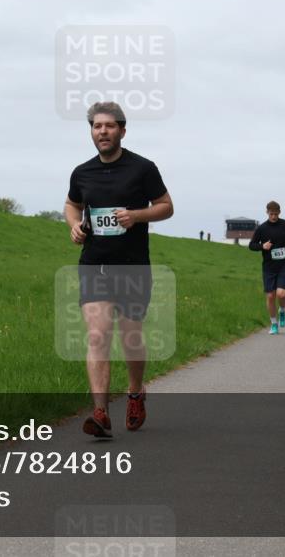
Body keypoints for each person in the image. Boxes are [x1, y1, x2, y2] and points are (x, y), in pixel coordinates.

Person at [65, 101, 174, 439]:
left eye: (110, 126)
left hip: (132, 267)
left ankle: (136, 392)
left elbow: (166, 206)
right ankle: (99, 412)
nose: (103, 132)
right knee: (97, 334)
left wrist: (137, 216)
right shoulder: (82, 172)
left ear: (122, 131)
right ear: (91, 132)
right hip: (94, 264)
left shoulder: (143, 168)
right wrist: (73, 226)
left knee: (130, 337)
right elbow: (73, 204)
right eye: (97, 127)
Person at [248, 201, 285, 334]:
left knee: (281, 294)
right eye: (271, 214)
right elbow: (251, 245)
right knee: (270, 296)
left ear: (279, 212)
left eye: (276, 214)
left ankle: (282, 311)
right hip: (269, 267)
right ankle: (274, 324)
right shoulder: (262, 228)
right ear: (267, 213)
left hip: (284, 265)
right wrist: (262, 246)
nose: (274, 217)